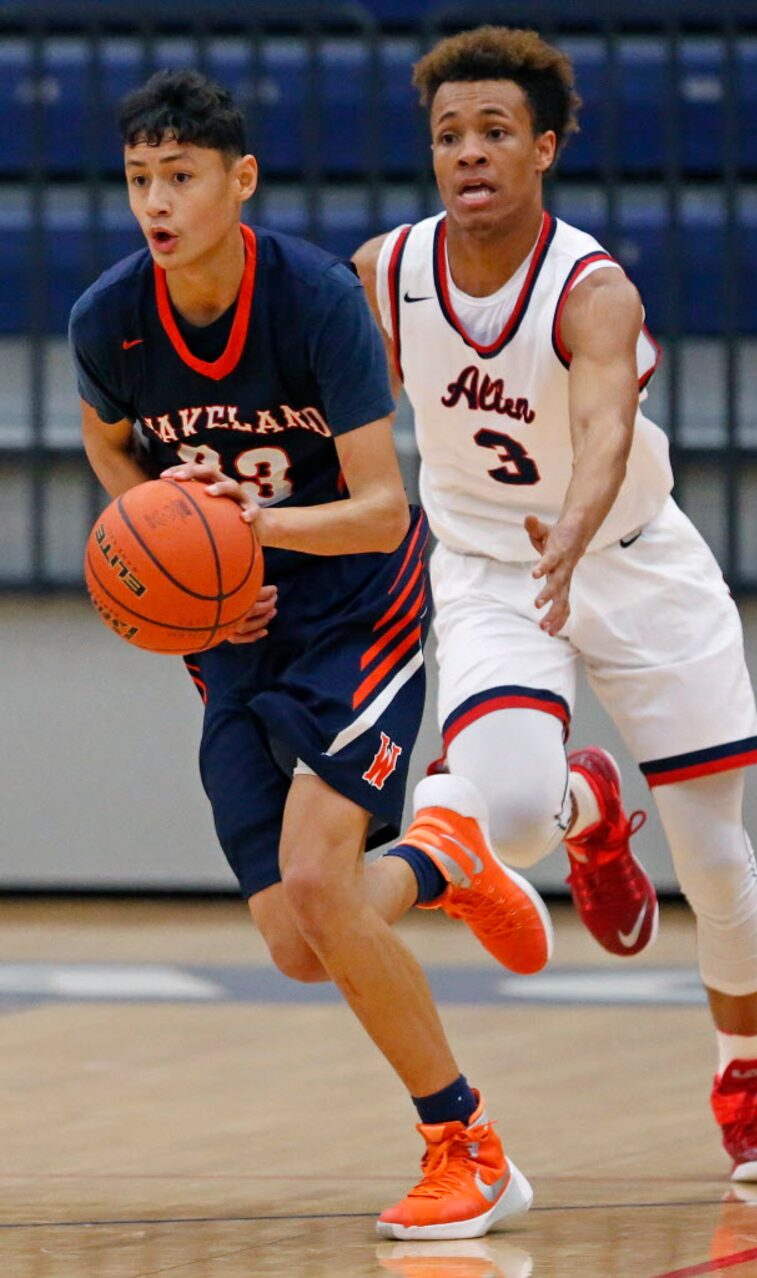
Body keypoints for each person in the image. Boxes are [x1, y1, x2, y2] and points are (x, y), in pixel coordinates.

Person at [69, 68, 556, 1241]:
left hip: (355, 608)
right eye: (141, 179)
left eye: (180, 177)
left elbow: (386, 508)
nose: (157, 201)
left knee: (317, 878)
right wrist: (165, 532)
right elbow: (105, 445)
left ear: (237, 181)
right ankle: (442, 854)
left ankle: (467, 1146)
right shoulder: (108, 320)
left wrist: (246, 534)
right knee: (299, 938)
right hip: (231, 638)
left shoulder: (314, 301)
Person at [355, 25, 757, 1186]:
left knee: (713, 860)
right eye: (448, 134)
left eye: (494, 131)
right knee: (502, 815)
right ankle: (582, 805)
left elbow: (605, 424)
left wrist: (574, 520)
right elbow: (334, 408)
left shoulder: (590, 287)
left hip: (630, 554)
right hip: (489, 565)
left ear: (543, 147)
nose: (468, 153)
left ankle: (746, 1075)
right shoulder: (386, 272)